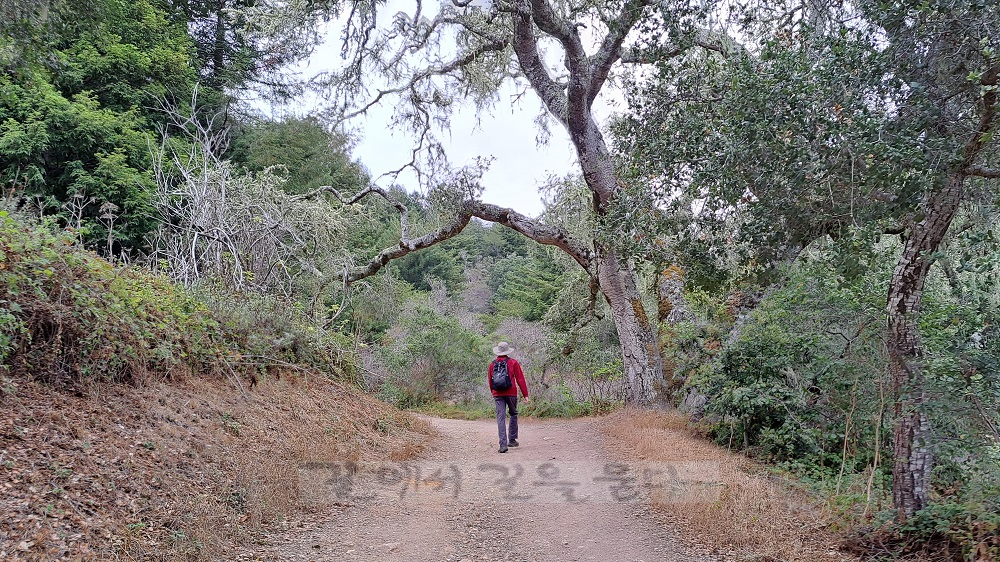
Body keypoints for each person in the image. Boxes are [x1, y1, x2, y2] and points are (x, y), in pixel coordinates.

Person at [488, 341, 529, 453]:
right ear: (507, 351)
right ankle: (512, 439)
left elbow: (490, 381)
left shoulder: (492, 364)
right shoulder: (513, 363)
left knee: (500, 418)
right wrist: (525, 395)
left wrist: (493, 392)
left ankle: (503, 445)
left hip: (497, 394)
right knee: (513, 414)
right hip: (511, 393)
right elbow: (520, 379)